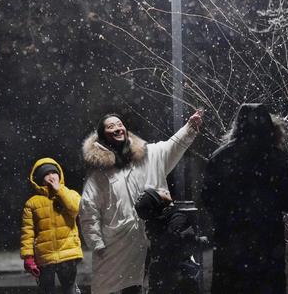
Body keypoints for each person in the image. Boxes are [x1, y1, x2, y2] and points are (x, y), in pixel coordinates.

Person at [79, 110, 203, 294]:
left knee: (160, 283)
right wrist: (96, 243)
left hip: (157, 234)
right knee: (127, 288)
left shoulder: (148, 155)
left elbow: (172, 146)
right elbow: (88, 213)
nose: (117, 128)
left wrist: (190, 128)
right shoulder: (99, 177)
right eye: (110, 126)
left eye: (119, 124)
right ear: (102, 135)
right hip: (120, 243)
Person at [201, 103, 288, 294]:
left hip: (229, 252)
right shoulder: (277, 159)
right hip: (267, 253)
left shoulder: (220, 157)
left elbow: (208, 200)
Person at [20, 157, 83, 294]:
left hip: (68, 253)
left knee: (70, 288)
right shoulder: (32, 203)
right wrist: (28, 257)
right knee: (46, 290)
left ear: (59, 175)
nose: (51, 177)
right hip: (44, 256)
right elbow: (27, 232)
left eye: (54, 173)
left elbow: (75, 209)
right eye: (46, 174)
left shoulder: (69, 194)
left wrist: (59, 191)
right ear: (39, 180)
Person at [134, 187, 208, 294]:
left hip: (160, 275)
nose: (162, 190)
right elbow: (186, 244)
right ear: (159, 202)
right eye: (158, 192)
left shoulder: (152, 224)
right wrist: (201, 241)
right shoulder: (177, 219)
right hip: (178, 276)